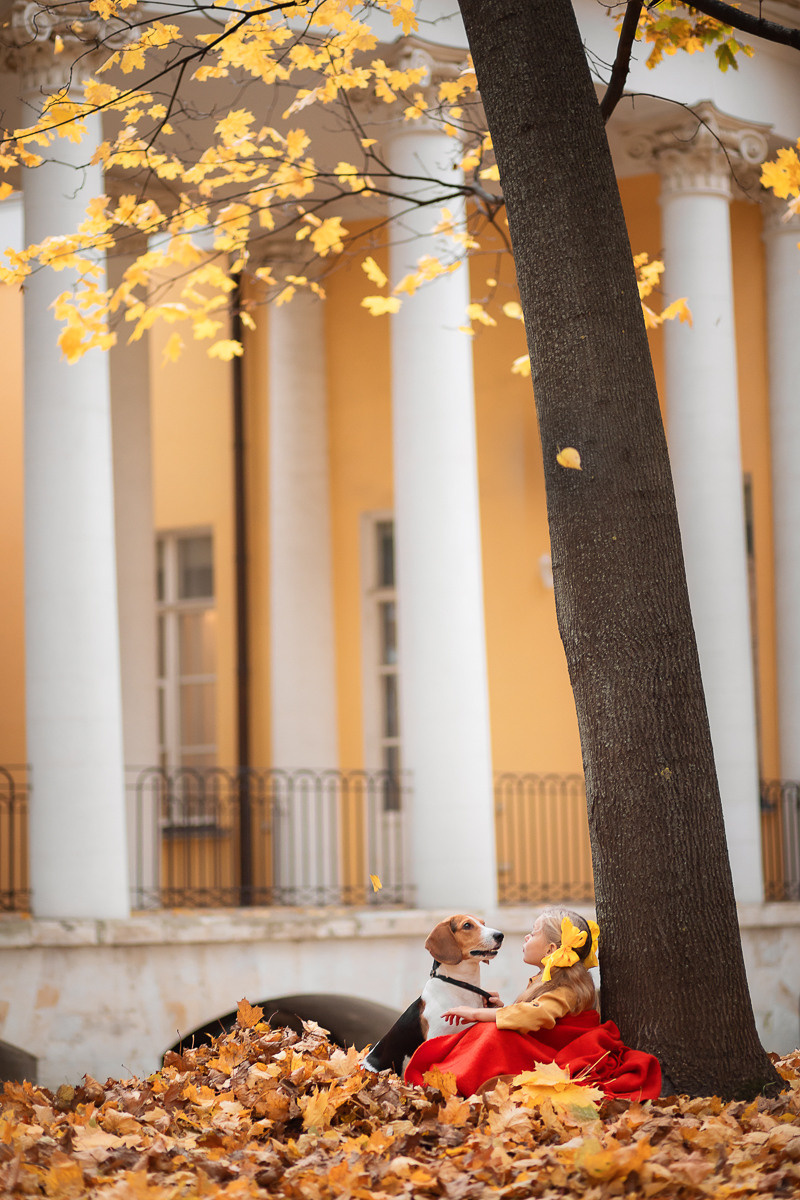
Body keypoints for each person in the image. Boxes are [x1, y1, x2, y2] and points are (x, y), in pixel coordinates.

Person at [403, 908, 662, 1099]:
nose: (525, 938)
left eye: (532, 933)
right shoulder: (543, 980)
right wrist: (498, 1009)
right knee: (490, 1031)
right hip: (539, 1047)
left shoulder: (565, 988)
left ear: (551, 950)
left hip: (557, 1055)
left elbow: (537, 1016)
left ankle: (454, 1078)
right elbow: (526, 1014)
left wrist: (478, 1014)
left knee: (493, 1034)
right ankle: (448, 1073)